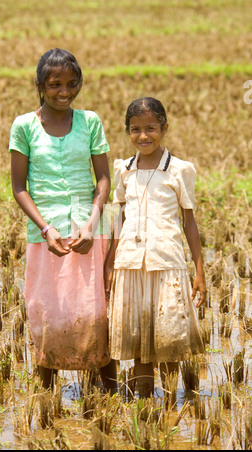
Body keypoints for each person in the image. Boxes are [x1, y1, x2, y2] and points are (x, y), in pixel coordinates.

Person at [9, 48, 116, 393]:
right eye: (55, 84)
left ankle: (108, 394)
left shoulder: (90, 121)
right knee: (48, 311)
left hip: (89, 228)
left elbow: (103, 180)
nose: (64, 91)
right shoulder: (24, 126)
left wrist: (93, 221)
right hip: (46, 236)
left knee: (96, 309)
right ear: (40, 85)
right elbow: (19, 187)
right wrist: (46, 227)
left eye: (72, 83)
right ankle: (46, 400)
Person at [104, 97, 206, 398]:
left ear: (164, 127)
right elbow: (118, 218)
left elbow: (189, 221)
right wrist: (110, 263)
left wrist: (199, 271)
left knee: (169, 333)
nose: (143, 136)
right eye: (135, 129)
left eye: (151, 128)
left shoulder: (179, 170)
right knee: (136, 334)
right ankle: (145, 398)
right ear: (127, 132)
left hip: (167, 261)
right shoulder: (124, 169)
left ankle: (169, 398)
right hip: (130, 263)